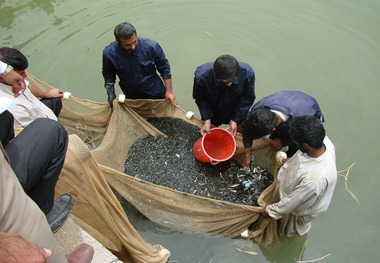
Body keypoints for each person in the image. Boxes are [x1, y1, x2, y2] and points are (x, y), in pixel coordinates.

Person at [260, 116, 337, 236]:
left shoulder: (314, 179)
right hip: (288, 188)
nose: (293, 143)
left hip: (295, 213)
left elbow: (291, 203)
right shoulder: (323, 141)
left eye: (295, 142)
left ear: (305, 145)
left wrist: (269, 211)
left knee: (285, 233)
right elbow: (303, 157)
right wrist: (288, 161)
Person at [102, 22, 176, 109]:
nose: (132, 46)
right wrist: (111, 94)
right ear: (118, 41)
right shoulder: (109, 54)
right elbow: (108, 75)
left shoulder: (151, 47)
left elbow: (164, 69)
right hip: (132, 96)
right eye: (128, 45)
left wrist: (169, 91)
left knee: (167, 114)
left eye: (134, 42)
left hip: (156, 92)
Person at [242, 90, 324, 166]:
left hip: (306, 108)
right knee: (273, 143)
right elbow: (248, 129)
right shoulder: (258, 109)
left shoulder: (300, 120)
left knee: (295, 148)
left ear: (273, 129)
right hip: (284, 102)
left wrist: (283, 142)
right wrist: (248, 155)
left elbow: (304, 137)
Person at [192, 54, 256, 136]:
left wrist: (235, 120)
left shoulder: (247, 73)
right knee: (209, 130)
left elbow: (247, 98)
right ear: (214, 70)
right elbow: (200, 98)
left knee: (241, 128)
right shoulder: (201, 77)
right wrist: (207, 119)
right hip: (213, 110)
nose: (229, 84)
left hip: (235, 109)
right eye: (225, 81)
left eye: (232, 80)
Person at [0, 47, 63, 128]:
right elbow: (32, 131)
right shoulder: (10, 106)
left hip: (41, 113)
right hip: (39, 129)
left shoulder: (12, 80)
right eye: (22, 73)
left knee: (56, 99)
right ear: (1, 78)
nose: (25, 76)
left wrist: (47, 94)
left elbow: (28, 86)